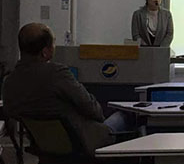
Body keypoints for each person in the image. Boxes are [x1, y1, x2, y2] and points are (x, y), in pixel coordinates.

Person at [3, 23, 132, 156]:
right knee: (126, 116)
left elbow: (11, 112)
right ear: (45, 52)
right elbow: (92, 109)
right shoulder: (57, 74)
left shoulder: (9, 82)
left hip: (45, 151)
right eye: (53, 43)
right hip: (83, 145)